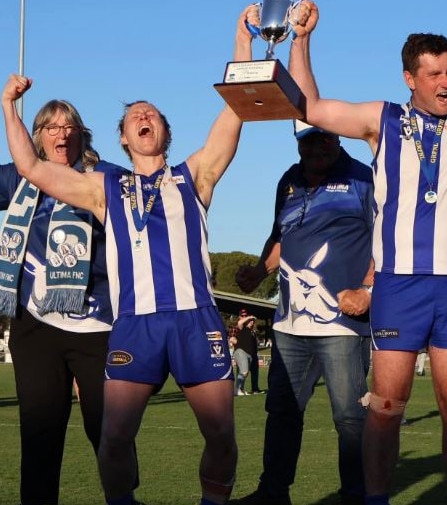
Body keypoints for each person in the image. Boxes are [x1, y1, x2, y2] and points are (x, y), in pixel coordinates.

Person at [1, 6, 256, 505]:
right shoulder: (104, 187)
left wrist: (242, 44)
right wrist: (8, 106)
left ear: (164, 131)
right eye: (134, 115)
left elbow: (237, 111)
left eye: (152, 113)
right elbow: (30, 166)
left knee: (221, 437)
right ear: (122, 136)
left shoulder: (195, 175)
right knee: (114, 441)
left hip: (194, 318)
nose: (143, 116)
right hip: (134, 324)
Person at [287, 2, 447, 503]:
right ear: (410, 77)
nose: (446, 83)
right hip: (398, 285)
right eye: (434, 75)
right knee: (386, 406)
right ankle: (376, 498)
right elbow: (309, 108)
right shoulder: (381, 121)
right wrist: (301, 39)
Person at [232, 119, 374, 505]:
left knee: (350, 419)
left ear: (338, 136)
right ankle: (273, 493)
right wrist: (260, 269)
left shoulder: (364, 178)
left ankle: (357, 496)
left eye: (324, 139)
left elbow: (388, 238)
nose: (316, 149)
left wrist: (369, 290)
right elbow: (280, 235)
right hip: (288, 326)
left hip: (342, 326)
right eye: (308, 142)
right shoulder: (288, 180)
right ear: (298, 144)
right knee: (281, 413)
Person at [0, 98, 126, 505]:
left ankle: (123, 498)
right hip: (34, 324)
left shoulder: (104, 176)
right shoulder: (19, 178)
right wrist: (7, 106)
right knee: (40, 434)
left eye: (68, 126)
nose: (61, 134)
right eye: (51, 128)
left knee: (108, 431)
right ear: (37, 137)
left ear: (81, 133)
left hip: (96, 323)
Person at [232, 309, 260, 396]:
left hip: (250, 354)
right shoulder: (242, 328)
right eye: (250, 321)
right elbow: (240, 323)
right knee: (244, 371)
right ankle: (237, 389)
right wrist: (250, 317)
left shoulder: (252, 331)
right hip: (241, 351)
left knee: (244, 372)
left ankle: (241, 389)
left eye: (253, 321)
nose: (252, 322)